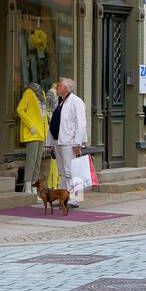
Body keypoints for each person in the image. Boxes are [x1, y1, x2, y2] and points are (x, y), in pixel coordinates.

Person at [51, 77, 88, 206]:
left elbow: (81, 123)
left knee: (71, 171)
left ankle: (75, 198)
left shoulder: (76, 101)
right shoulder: (60, 101)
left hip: (69, 142)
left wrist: (78, 143)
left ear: (65, 88)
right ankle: (64, 197)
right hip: (59, 141)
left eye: (59, 85)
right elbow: (56, 121)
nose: (56, 87)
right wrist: (51, 142)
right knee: (62, 172)